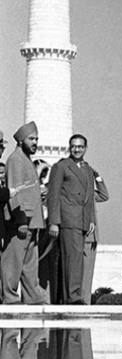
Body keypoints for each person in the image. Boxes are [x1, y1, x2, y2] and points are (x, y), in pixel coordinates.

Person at [46, 133, 109, 305]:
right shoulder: (62, 167)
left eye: (80, 146)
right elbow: (54, 195)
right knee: (71, 259)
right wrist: (53, 222)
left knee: (77, 261)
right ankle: (72, 297)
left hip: (82, 221)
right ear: (69, 147)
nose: (77, 149)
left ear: (85, 148)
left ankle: (73, 296)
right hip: (68, 219)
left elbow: (89, 197)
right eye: (74, 146)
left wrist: (90, 221)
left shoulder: (88, 169)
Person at [2, 122, 46, 304]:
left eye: (36, 138)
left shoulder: (26, 159)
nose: (35, 142)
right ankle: (10, 299)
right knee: (12, 264)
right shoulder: (15, 160)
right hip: (21, 222)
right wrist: (20, 220)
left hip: (33, 222)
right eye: (31, 139)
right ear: (21, 141)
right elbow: (14, 192)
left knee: (30, 265)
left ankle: (33, 299)